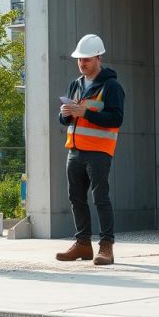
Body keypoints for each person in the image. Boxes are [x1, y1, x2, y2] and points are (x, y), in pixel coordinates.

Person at [55, 34, 125, 266]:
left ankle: (106, 246)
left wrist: (86, 113)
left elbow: (116, 118)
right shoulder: (75, 84)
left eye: (86, 59)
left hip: (99, 150)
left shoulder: (111, 86)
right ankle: (83, 244)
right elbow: (67, 119)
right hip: (74, 150)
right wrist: (65, 115)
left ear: (98, 58)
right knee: (76, 198)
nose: (82, 63)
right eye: (79, 60)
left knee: (100, 198)